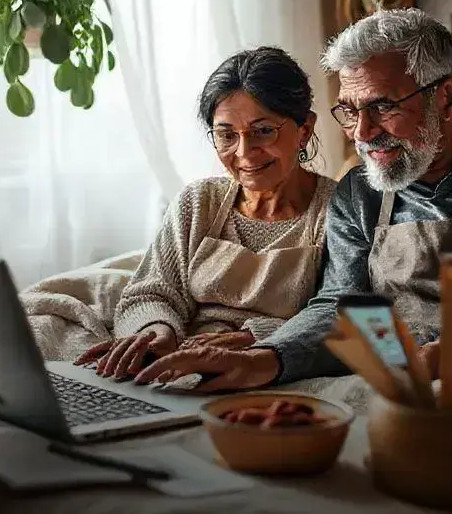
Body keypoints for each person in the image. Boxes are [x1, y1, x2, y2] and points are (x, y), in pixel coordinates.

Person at [134, 7, 452, 392]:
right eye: (349, 111)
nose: (362, 134)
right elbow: (341, 308)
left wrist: (446, 356)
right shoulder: (358, 192)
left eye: (382, 107)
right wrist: (267, 359)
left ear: (448, 97)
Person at [74, 46, 337, 381]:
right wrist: (158, 332)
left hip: (269, 368)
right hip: (180, 357)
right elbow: (148, 292)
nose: (244, 153)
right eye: (226, 135)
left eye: (263, 131)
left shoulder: (336, 210)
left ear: (305, 129)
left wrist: (254, 338)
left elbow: (337, 316)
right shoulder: (199, 202)